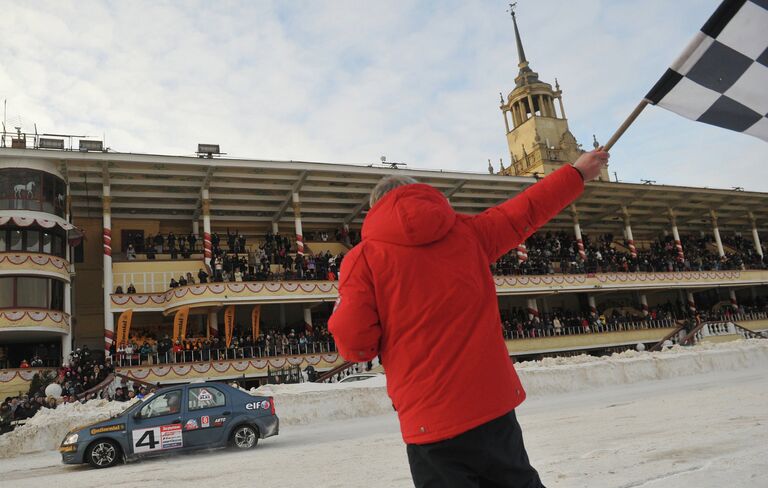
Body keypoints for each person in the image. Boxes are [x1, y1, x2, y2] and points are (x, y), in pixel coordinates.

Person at [329, 149, 608, 487]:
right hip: (492, 406)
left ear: (375, 209)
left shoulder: (362, 260)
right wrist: (576, 173)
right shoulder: (468, 232)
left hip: (429, 419)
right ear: (423, 195)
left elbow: (354, 344)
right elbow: (527, 209)